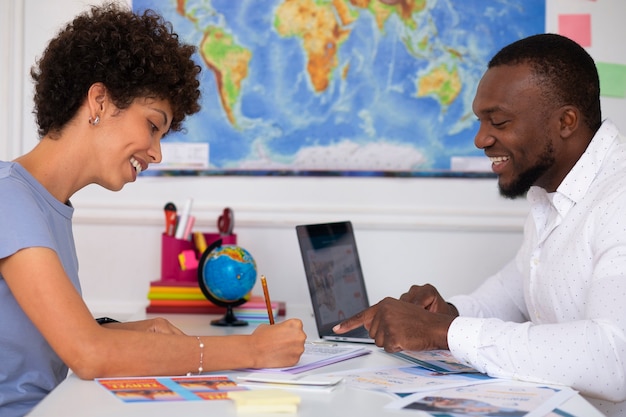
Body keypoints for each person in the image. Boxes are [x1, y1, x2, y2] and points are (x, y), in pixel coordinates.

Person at [0, 4, 305, 417]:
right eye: (152, 125)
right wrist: (252, 349)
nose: (157, 153)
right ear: (100, 102)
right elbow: (88, 354)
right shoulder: (9, 199)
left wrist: (131, 333)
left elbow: (60, 340)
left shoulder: (46, 204)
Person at [334, 33, 626, 416]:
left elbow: (612, 357)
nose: (480, 139)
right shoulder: (552, 193)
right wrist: (444, 312)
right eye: (480, 120)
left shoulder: (618, 199)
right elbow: (512, 296)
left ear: (566, 122)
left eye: (499, 121)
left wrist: (442, 333)